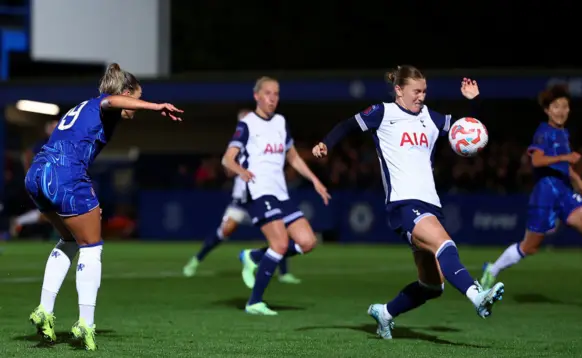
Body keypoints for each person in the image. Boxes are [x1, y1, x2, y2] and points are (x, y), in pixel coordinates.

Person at [312, 66, 505, 339]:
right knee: (445, 244)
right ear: (399, 90)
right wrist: (326, 144)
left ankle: (385, 313)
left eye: (424, 91)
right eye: (416, 91)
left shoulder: (431, 118)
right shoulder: (383, 113)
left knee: (432, 285)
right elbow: (347, 125)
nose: (421, 97)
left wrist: (474, 102)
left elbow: (471, 131)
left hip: (430, 203)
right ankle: (477, 296)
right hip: (403, 203)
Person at [25, 63, 183, 350]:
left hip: (37, 173)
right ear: (126, 93)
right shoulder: (104, 104)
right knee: (92, 246)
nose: (135, 107)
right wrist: (155, 106)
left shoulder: (83, 106)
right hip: (64, 173)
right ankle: (86, 322)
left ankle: (44, 310)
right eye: (136, 98)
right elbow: (111, 100)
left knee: (70, 239)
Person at [480, 84, 582, 301]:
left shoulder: (563, 133)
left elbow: (564, 164)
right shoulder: (543, 132)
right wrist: (566, 158)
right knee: (530, 247)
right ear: (547, 110)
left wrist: (578, 180)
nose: (561, 110)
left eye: (565, 106)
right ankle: (493, 269)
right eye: (556, 106)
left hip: (564, 191)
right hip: (545, 194)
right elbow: (537, 160)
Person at [222, 76, 330, 315]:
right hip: (259, 192)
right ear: (257, 96)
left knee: (307, 242)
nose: (272, 98)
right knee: (280, 244)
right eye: (268, 93)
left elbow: (292, 157)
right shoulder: (247, 124)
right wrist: (241, 170)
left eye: (276, 94)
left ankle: (253, 256)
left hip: (281, 193)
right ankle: (254, 302)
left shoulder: (281, 122)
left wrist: (315, 180)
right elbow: (227, 158)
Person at [182, 109, 301, 284]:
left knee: (280, 232)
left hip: (263, 195)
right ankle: (196, 260)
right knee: (226, 229)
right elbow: (228, 169)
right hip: (242, 198)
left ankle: (283, 272)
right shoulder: (237, 145)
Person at [10, 119, 59, 237]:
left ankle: (19, 221)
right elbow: (26, 155)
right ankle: (19, 222)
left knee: (55, 211)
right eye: (53, 128)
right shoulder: (43, 144)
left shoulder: (62, 144)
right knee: (53, 211)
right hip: (45, 182)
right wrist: (29, 172)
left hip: (57, 182)